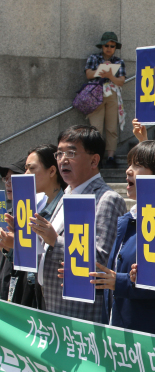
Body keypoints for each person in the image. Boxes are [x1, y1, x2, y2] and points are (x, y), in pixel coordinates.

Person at [90, 141, 155, 340]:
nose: (128, 170)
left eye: (137, 165)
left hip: (154, 343)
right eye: (129, 164)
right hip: (122, 335)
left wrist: (118, 282)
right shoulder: (129, 220)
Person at [32, 125, 126, 322]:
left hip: (80, 312)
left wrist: (54, 240)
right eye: (59, 153)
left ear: (94, 160)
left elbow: (101, 259)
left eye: (71, 152)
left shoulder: (107, 199)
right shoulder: (67, 194)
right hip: (51, 303)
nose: (62, 160)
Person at [11, 145, 67, 309]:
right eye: (25, 169)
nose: (26, 174)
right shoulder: (30, 207)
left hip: (54, 297)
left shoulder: (66, 208)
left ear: (51, 171)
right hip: (29, 291)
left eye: (31, 168)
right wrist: (10, 246)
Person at [84, 32, 126, 168]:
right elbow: (88, 74)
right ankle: (96, 158)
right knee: (95, 129)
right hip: (96, 93)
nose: (109, 48)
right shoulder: (94, 58)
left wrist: (110, 75)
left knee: (111, 128)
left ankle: (110, 157)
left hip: (112, 93)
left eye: (112, 46)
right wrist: (102, 71)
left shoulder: (119, 61)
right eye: (106, 45)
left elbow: (121, 81)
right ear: (102, 46)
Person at [0, 157, 27, 301]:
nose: (9, 183)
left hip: (25, 295)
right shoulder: (7, 214)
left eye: (14, 178)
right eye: (6, 179)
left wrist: (11, 247)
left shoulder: (35, 216)